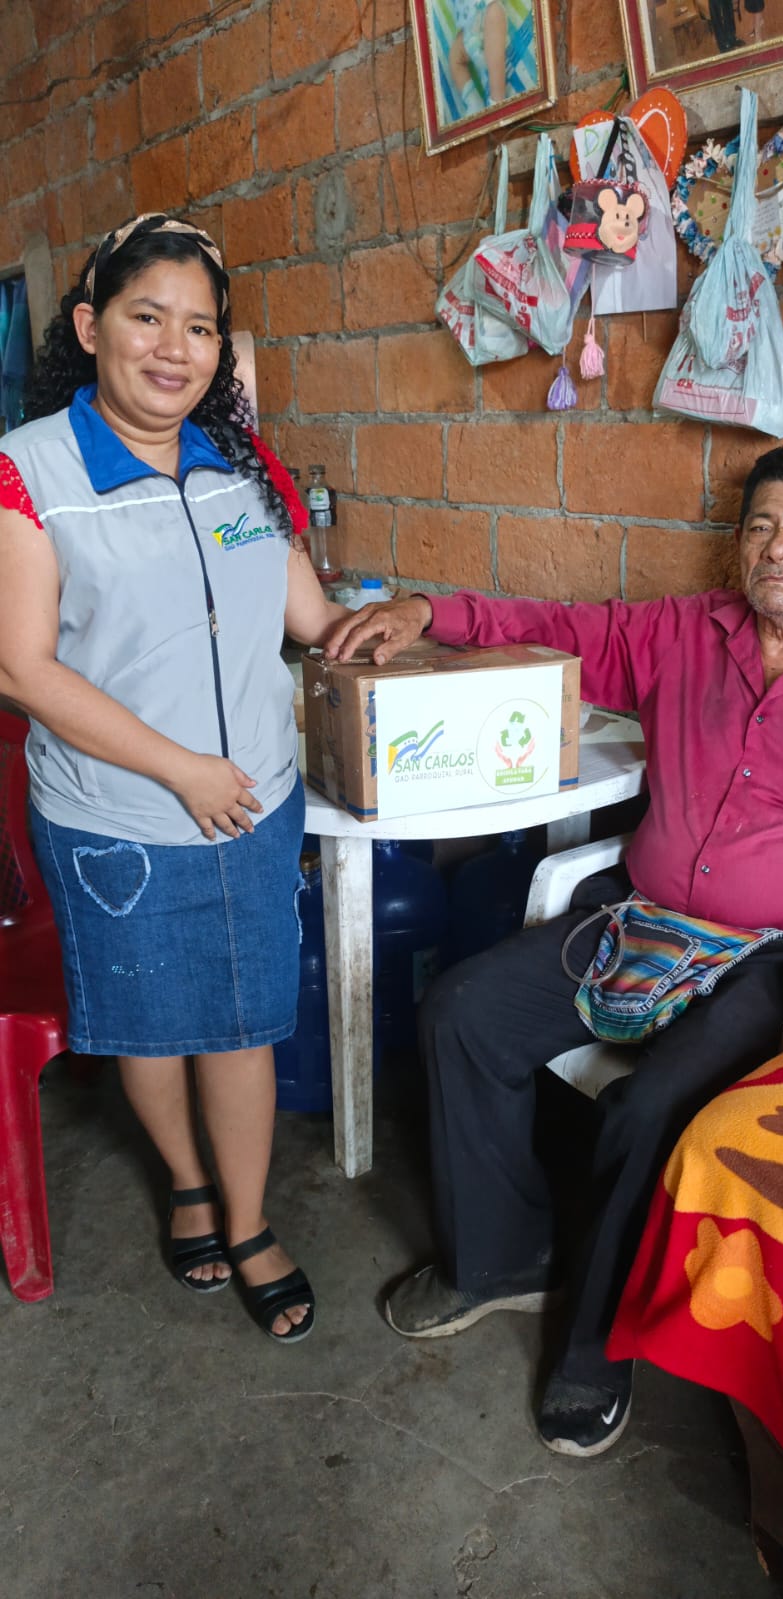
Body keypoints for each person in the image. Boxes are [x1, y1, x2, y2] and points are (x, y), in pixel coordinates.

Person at [325, 442, 783, 1454]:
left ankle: (594, 1347)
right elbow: (549, 627)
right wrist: (424, 611)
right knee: (461, 1012)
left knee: (648, 1106)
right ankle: (500, 1258)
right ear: (737, 543)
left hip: (780, 956)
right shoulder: (681, 632)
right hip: (642, 917)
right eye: (761, 527)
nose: (780, 548)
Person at [0, 214, 348, 1343]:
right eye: (147, 316)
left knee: (240, 1025)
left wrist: (388, 624)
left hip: (250, 805)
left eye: (199, 328)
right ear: (90, 326)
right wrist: (180, 770)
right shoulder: (29, 470)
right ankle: (187, 1180)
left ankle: (244, 1221)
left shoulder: (241, 462)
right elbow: (20, 667)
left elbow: (309, 618)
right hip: (118, 817)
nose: (173, 348)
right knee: (152, 1025)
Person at [445, 0, 509, 119]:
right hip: (467, 30)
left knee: (495, 14)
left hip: (487, 10)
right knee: (454, 58)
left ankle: (497, 100)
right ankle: (473, 103)